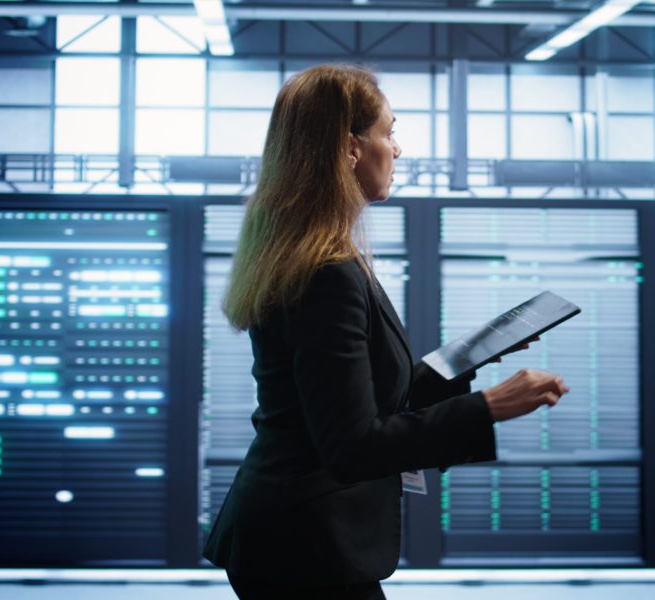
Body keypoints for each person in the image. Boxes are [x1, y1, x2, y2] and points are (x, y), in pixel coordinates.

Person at [202, 64, 569, 600]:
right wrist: (489, 406)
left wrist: (468, 358)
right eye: (388, 133)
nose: (397, 149)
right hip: (303, 548)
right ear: (350, 148)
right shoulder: (327, 273)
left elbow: (356, 401)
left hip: (294, 538)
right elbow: (353, 445)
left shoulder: (313, 258)